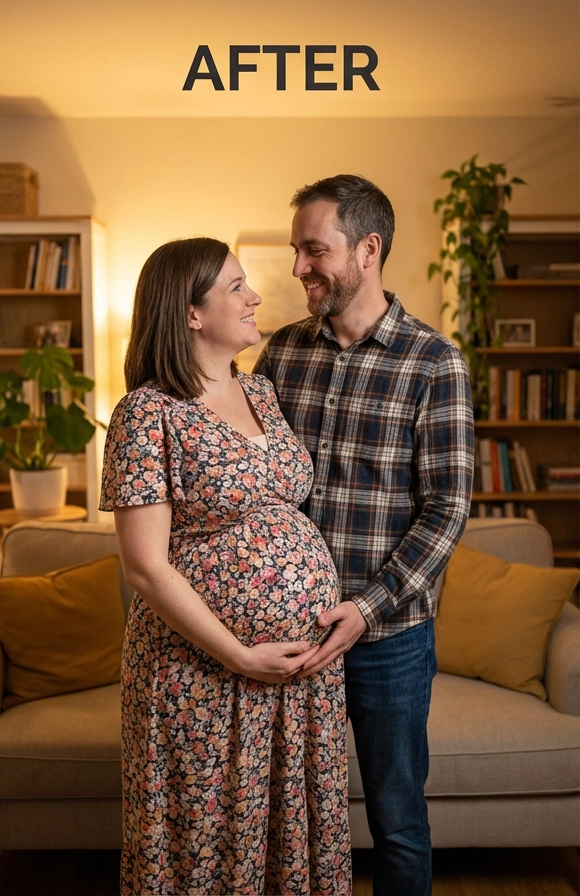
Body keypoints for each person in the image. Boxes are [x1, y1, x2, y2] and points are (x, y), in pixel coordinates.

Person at [100, 237, 352, 896]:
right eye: (237, 287)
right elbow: (146, 569)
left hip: (300, 677)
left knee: (289, 833)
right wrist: (239, 654)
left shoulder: (262, 392)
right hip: (201, 672)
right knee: (199, 840)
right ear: (189, 313)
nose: (256, 297)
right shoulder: (143, 414)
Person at [255, 175, 474, 896]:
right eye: (296, 251)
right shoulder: (280, 357)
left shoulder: (434, 362)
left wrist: (365, 610)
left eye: (314, 250)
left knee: (398, 818)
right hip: (288, 635)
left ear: (368, 250)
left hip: (390, 640)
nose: (298, 268)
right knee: (281, 818)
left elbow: (446, 509)